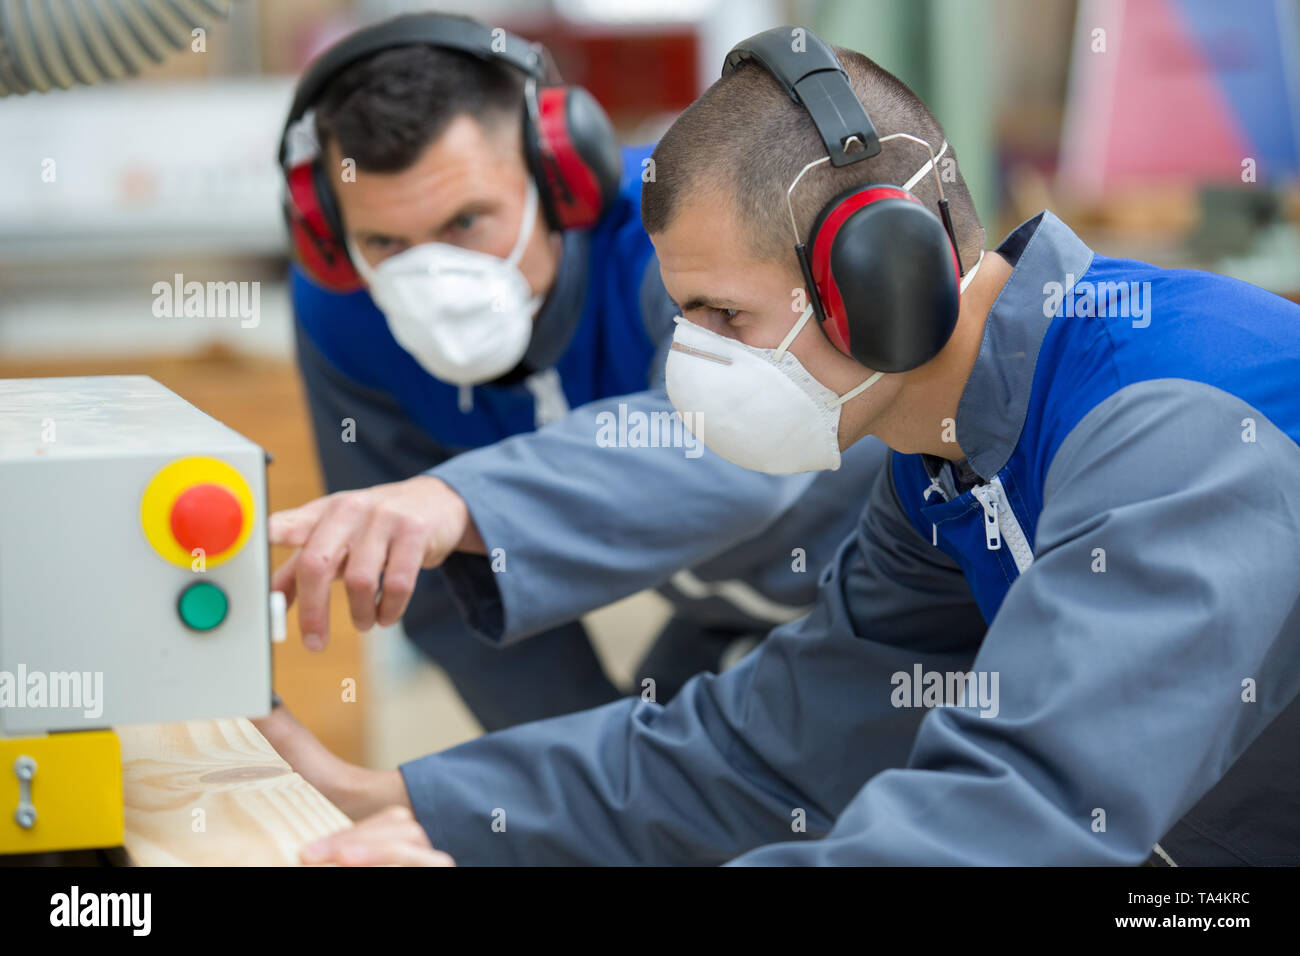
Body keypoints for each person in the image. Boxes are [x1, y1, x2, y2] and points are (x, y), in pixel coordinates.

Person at [272, 26, 1300, 866]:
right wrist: (428, 803)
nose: (694, 365)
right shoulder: (942, 468)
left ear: (887, 275)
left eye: (725, 314)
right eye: (683, 320)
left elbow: (1017, 814)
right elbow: (772, 747)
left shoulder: (1167, 418)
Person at [276, 13, 887, 732]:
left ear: (559, 176)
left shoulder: (683, 218)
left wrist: (456, 501)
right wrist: (588, 782)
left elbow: (738, 454)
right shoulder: (344, 310)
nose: (431, 274)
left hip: (904, 577)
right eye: (384, 240)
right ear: (329, 235)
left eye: (467, 221)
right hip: (720, 616)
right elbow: (440, 591)